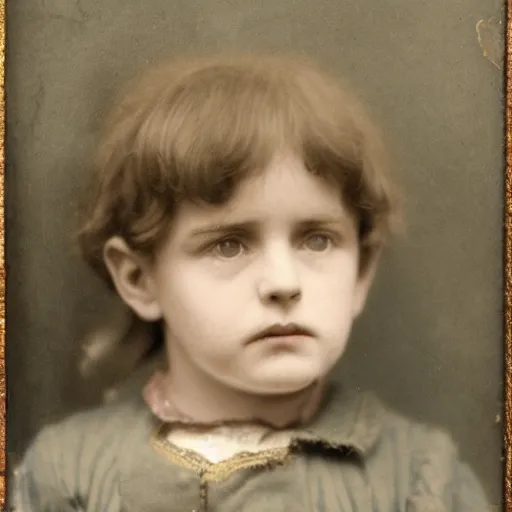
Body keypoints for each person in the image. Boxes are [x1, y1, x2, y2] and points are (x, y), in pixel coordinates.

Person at [12, 53, 490, 511]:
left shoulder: (421, 477)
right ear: (140, 279)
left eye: (318, 240)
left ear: (361, 274)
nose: (284, 283)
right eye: (229, 245)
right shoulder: (66, 475)